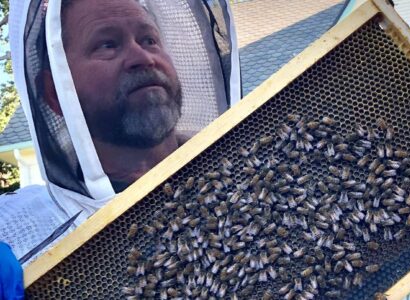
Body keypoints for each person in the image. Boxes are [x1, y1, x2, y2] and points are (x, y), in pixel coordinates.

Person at [0, 0, 241, 298]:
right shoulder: (16, 237)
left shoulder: (252, 177)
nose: (142, 57)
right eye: (107, 44)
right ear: (55, 92)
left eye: (149, 40)